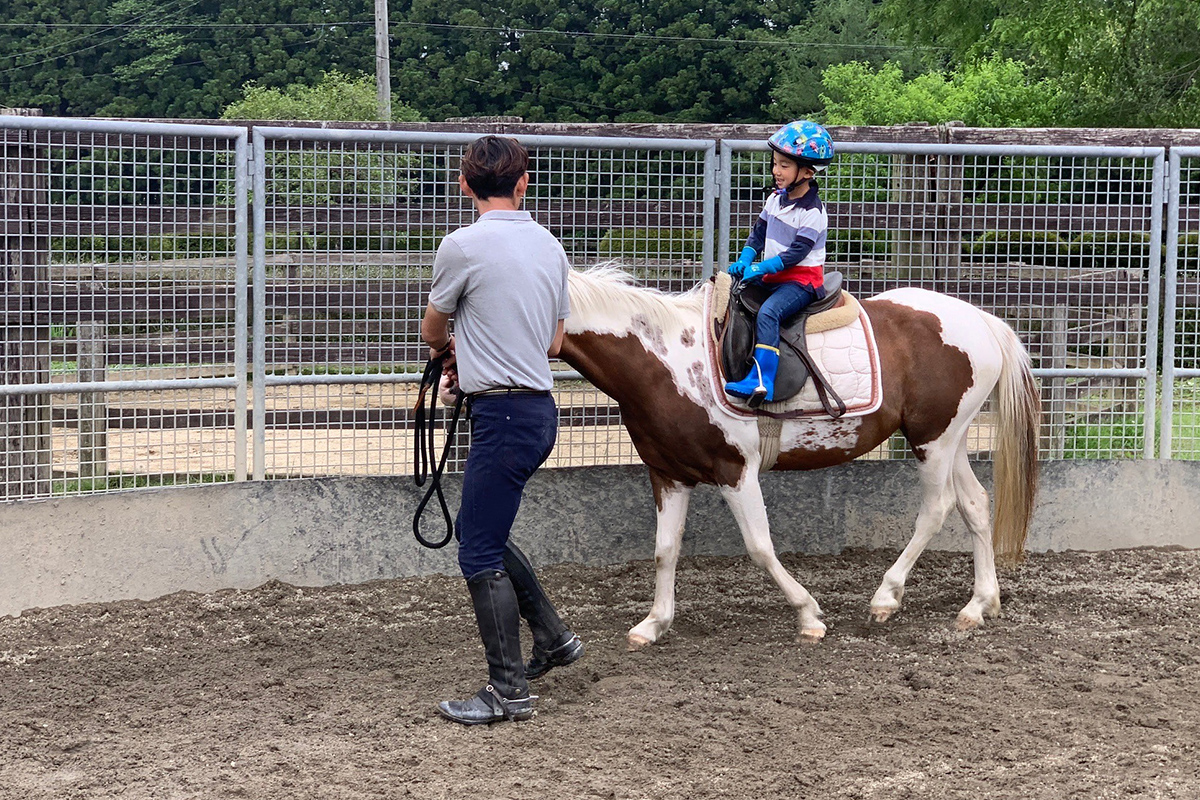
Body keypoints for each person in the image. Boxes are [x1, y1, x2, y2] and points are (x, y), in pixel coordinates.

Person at [420, 135, 584, 726]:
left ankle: (508, 691)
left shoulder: (461, 245)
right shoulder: (550, 245)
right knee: (477, 529)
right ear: (523, 184)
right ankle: (554, 638)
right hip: (537, 411)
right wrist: (484, 354)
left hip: (503, 416)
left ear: (465, 186)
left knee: (478, 548)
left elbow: (433, 329)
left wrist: (455, 354)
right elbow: (553, 344)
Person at [723, 120, 835, 407]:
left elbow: (797, 253)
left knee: (769, 313)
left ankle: (762, 380)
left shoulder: (813, 212)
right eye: (775, 163)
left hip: (801, 282)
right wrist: (746, 257)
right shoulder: (775, 199)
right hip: (775, 276)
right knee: (734, 293)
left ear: (808, 172)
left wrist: (761, 267)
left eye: (784, 165)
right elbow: (758, 233)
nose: (776, 171)